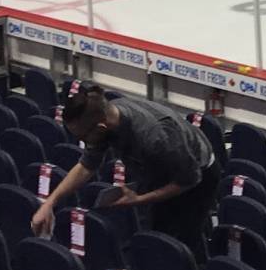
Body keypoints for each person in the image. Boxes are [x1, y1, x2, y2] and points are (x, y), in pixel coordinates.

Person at [31, 83, 220, 256]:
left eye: (83, 137)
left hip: (197, 178)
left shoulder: (155, 136)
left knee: (179, 246)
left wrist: (139, 199)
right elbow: (86, 166)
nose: (83, 142)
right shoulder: (106, 119)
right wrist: (49, 204)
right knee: (155, 238)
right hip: (158, 170)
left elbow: (188, 179)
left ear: (101, 128)